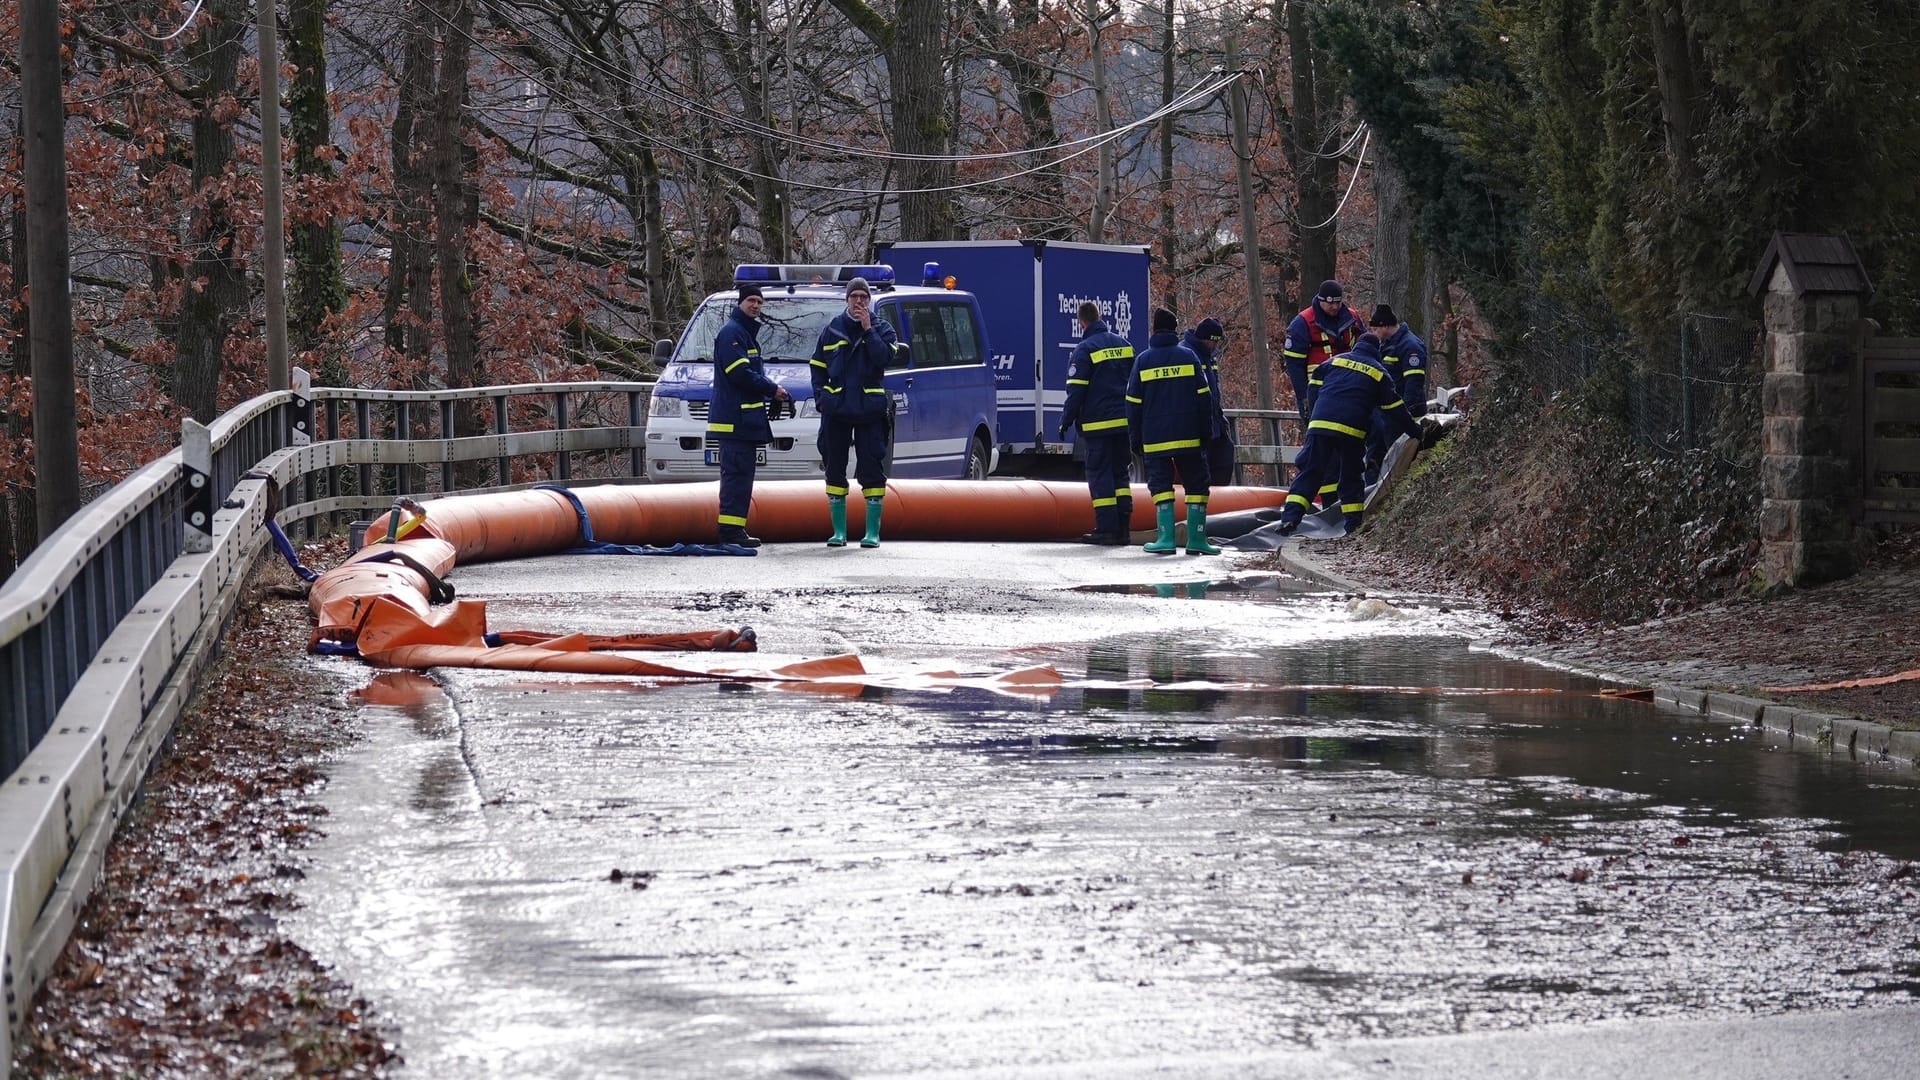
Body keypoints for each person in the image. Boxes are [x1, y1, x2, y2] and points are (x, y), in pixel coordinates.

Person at [1273, 322, 1421, 537]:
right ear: (1377, 352)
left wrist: (1315, 416)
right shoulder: (1379, 373)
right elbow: (1395, 409)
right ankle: (1352, 526)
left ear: (1356, 347)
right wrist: (1416, 431)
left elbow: (1312, 388)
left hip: (1320, 425)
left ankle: (1289, 519)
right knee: (1351, 478)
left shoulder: (1334, 361)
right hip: (1352, 432)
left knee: (1311, 472)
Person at [811, 276, 897, 548]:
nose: (859, 301)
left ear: (869, 301)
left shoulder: (883, 329)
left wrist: (868, 330)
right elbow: (817, 366)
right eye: (854, 297)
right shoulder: (832, 330)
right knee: (834, 466)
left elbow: (884, 358)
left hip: (869, 410)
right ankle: (839, 532)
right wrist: (821, 398)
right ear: (846, 300)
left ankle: (872, 532)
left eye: (863, 297)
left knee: (872, 466)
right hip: (836, 410)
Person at [1126, 308, 1219, 555]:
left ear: (1154, 330)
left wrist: (1135, 440)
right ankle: (1197, 538)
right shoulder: (1190, 358)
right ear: (1175, 329)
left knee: (1161, 486)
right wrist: (1206, 433)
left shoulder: (1143, 361)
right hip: (1189, 437)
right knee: (1197, 485)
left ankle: (1166, 539)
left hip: (1155, 439)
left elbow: (1133, 405)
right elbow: (1204, 399)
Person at [709, 282, 789, 547]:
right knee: (735, 476)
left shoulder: (744, 333)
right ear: (740, 303)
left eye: (759, 301)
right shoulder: (733, 333)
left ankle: (735, 530)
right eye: (750, 301)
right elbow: (740, 374)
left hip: (743, 423)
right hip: (734, 423)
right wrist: (772, 389)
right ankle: (730, 533)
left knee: (742, 477)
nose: (755, 305)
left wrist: (770, 394)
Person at [1058, 301, 1136, 545]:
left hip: (1097, 426)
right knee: (1120, 474)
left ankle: (1106, 528)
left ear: (1082, 322)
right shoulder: (1125, 346)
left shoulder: (1083, 350)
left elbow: (1076, 392)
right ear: (1100, 316)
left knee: (1100, 474)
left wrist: (1065, 422)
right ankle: (1124, 527)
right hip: (1124, 423)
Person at [1361, 303, 1428, 488]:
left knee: (1398, 462)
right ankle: (1370, 498)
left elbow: (1413, 386)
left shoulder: (1410, 346)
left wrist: (1404, 416)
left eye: (1375, 329)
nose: (1373, 333)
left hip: (1399, 416)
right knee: (1374, 459)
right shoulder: (1385, 346)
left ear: (1384, 326)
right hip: (1382, 416)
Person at [1281, 279, 1366, 423]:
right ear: (1321, 300)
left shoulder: (1352, 318)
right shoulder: (1303, 323)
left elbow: (1366, 348)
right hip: (1318, 391)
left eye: (1338, 303)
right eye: (1330, 303)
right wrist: (1304, 397)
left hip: (1350, 387)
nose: (1334, 307)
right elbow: (1294, 366)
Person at [1181, 316, 1237, 486]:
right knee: (1200, 473)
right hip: (1197, 426)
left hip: (1215, 424)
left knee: (1225, 456)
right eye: (1213, 341)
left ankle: (1219, 502)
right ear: (1205, 338)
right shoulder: (1187, 354)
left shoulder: (1208, 356)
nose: (1215, 346)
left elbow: (1213, 392)